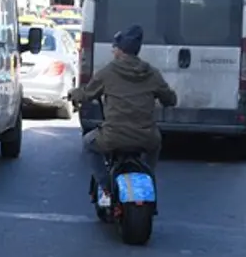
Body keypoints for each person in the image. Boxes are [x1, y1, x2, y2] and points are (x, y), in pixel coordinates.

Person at [68, 25, 177, 208]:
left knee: (88, 143)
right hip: (146, 137)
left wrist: (73, 94)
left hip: (113, 136)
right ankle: (148, 177)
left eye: (115, 47)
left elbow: (86, 94)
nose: (113, 51)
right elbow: (170, 99)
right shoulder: (152, 73)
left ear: (120, 50)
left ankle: (106, 187)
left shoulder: (108, 72)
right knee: (156, 144)